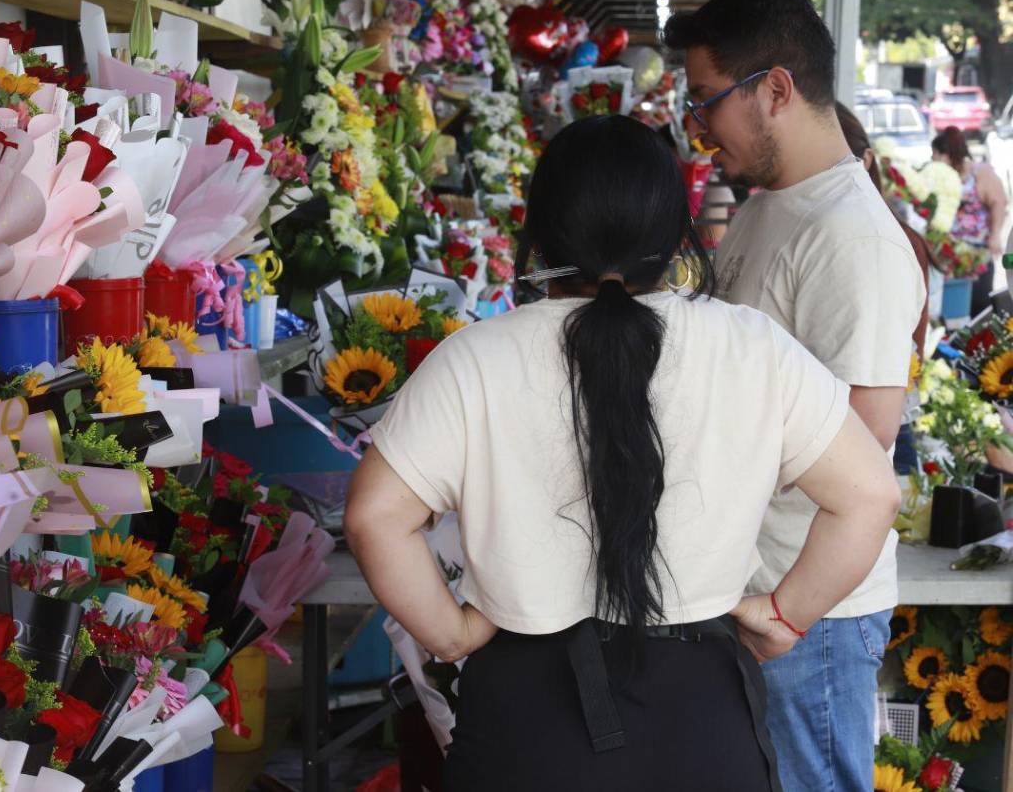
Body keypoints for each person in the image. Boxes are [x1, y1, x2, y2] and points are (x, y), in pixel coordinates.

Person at [344, 115, 901, 791]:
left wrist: (452, 635)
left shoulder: (476, 357)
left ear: (542, 229)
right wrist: (785, 616)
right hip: (701, 719)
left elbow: (376, 517)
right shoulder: (752, 347)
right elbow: (871, 496)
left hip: (525, 724)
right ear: (674, 231)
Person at [663, 0, 924, 792]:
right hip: (750, 591)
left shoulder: (853, 240)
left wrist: (787, 612)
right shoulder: (774, 202)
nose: (699, 128)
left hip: (805, 610)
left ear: (775, 89)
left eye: (707, 100)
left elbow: (864, 440)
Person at [837, 102, 930, 476]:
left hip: (881, 427)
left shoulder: (894, 241)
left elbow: (914, 346)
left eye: (843, 161)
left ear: (868, 160)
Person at [932, 125, 1007, 315]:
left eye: (935, 154)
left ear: (947, 155)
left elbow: (999, 202)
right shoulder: (942, 177)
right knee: (953, 310)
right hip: (950, 255)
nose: (933, 159)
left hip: (977, 254)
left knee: (979, 305)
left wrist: (995, 235)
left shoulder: (979, 173)